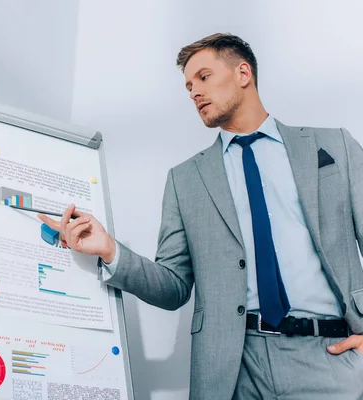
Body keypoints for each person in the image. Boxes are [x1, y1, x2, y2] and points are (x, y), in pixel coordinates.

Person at [39, 33, 363, 399]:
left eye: (204, 78)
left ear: (243, 73)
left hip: (332, 357)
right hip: (234, 369)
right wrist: (110, 250)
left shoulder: (334, 147)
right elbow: (174, 286)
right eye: (189, 86)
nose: (194, 92)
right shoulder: (186, 179)